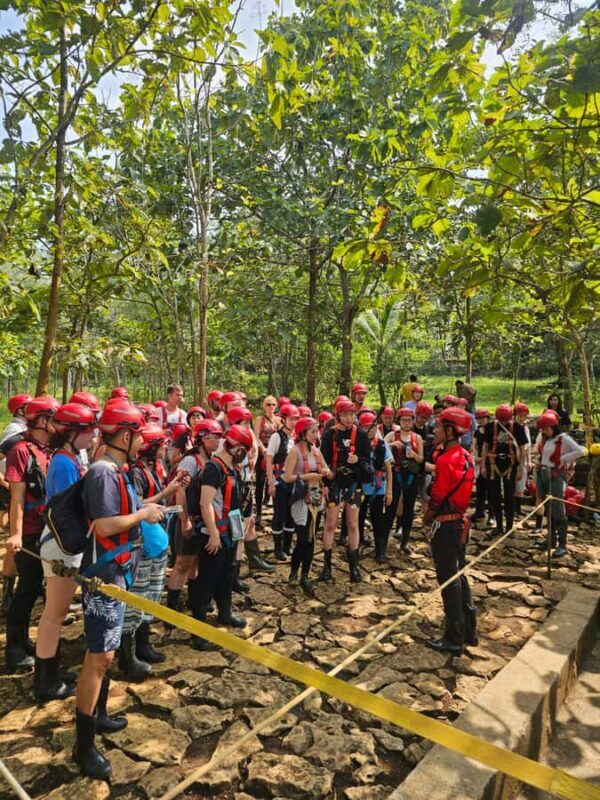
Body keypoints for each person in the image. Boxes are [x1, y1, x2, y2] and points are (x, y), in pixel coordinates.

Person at [73, 403, 165, 780]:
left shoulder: (117, 471)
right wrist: (143, 516)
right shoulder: (102, 474)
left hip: (120, 573)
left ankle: (102, 714)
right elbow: (106, 525)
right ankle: (83, 745)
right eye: (139, 433)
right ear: (125, 436)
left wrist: (148, 507)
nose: (143, 440)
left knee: (107, 655)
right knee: (99, 658)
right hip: (103, 575)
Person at [35, 402, 97, 702]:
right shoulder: (63, 463)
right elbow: (66, 510)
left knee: (55, 613)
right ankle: (45, 680)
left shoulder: (69, 458)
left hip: (65, 544)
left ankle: (53, 670)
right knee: (53, 614)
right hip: (61, 545)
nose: (92, 436)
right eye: (87, 431)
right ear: (72, 433)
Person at [119, 425, 190, 680]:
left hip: (156, 541)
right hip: (143, 545)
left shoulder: (152, 469)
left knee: (150, 594)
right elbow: (137, 506)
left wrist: (170, 488)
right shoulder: (136, 472)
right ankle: (128, 656)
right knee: (137, 597)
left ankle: (144, 645)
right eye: (161, 444)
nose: (165, 449)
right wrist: (166, 492)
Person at [5, 396, 59, 672]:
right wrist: (15, 533)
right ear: (42, 420)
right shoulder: (21, 451)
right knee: (26, 589)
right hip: (29, 531)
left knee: (36, 586)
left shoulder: (48, 450)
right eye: (53, 418)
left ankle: (25, 639)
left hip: (47, 530)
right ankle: (13, 648)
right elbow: (17, 496)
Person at [191, 424, 253, 650]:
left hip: (230, 530)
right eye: (244, 448)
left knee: (227, 575)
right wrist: (214, 534)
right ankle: (198, 632)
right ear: (236, 447)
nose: (245, 454)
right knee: (206, 580)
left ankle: (225, 613)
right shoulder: (213, 469)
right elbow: (204, 502)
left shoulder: (231, 467)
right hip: (213, 533)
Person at [423, 407, 477, 655]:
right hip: (460, 522)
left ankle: (454, 636)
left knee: (449, 579)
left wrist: (427, 517)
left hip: (446, 524)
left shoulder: (446, 460)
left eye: (437, 427)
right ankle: (469, 628)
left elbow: (437, 495)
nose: (434, 431)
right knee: (460, 574)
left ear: (449, 431)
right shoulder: (466, 456)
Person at [166, 419, 222, 619]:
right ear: (201, 440)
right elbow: (180, 491)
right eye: (212, 437)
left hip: (201, 520)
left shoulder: (212, 461)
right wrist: (184, 520)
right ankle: (171, 607)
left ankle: (194, 600)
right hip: (188, 516)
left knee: (196, 563)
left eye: (218, 437)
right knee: (182, 563)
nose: (216, 441)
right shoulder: (190, 461)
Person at [319, 398, 372, 582]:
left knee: (353, 524)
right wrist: (325, 484)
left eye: (351, 414)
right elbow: (323, 459)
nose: (349, 418)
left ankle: (354, 568)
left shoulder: (361, 435)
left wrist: (357, 459)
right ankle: (326, 567)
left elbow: (368, 459)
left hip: (354, 485)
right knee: (331, 524)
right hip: (335, 484)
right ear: (338, 416)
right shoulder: (330, 435)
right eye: (345, 415)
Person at [282, 416, 326, 593]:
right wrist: (306, 477)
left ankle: (305, 575)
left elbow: (327, 469)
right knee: (302, 539)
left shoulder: (316, 450)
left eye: (316, 431)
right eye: (313, 432)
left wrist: (326, 471)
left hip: (315, 495)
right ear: (303, 434)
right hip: (301, 497)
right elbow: (287, 477)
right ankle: (294, 571)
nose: (316, 435)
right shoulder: (294, 452)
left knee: (311, 538)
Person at [534, 411, 585, 557]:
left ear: (553, 426)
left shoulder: (563, 438)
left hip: (556, 476)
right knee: (548, 507)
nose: (544, 432)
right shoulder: (545, 439)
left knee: (558, 508)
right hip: (543, 474)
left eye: (545, 429)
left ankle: (563, 544)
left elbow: (580, 451)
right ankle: (551, 539)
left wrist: (564, 458)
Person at [0, 393, 32, 613]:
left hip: (16, 487)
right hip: (14, 489)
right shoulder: (15, 432)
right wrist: (9, 484)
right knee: (14, 541)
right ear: (21, 410)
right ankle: (8, 594)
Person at [481, 404, 527, 536]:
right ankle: (499, 525)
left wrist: (520, 469)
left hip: (510, 464)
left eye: (506, 420)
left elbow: (523, 449)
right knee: (494, 495)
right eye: (502, 420)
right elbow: (485, 446)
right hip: (493, 464)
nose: (504, 423)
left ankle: (509, 527)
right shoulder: (490, 427)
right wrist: (483, 465)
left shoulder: (517, 428)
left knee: (509, 496)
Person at [385, 408, 424, 554]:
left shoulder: (417, 438)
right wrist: (393, 444)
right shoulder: (392, 435)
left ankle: (405, 542)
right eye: (404, 420)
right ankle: (383, 542)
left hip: (411, 477)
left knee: (409, 509)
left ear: (413, 421)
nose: (407, 423)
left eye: (409, 420)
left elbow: (421, 459)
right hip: (396, 475)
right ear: (399, 421)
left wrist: (413, 454)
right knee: (391, 508)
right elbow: (380, 447)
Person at [357, 411, 393, 563]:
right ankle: (355, 547)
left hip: (378, 488)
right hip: (360, 488)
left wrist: (389, 491)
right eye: (365, 427)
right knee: (357, 520)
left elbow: (388, 467)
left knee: (378, 521)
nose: (369, 430)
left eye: (371, 427)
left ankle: (380, 551)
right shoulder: (357, 445)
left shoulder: (382, 445)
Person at [266, 403, 300, 560]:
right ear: (283, 419)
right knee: (279, 514)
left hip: (293, 480)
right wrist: (271, 483)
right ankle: (278, 548)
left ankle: (287, 545)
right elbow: (269, 460)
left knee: (291, 514)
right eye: (291, 419)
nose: (293, 422)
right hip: (279, 481)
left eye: (296, 419)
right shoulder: (276, 437)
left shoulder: (295, 438)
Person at [253, 396, 281, 530]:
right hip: (262, 451)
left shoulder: (279, 420)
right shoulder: (259, 419)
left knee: (274, 481)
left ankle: (276, 512)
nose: (271, 407)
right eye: (268, 404)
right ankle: (258, 512)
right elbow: (256, 436)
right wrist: (263, 449)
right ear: (264, 406)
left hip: (274, 452)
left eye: (273, 404)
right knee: (260, 482)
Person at [471, 408, 490, 529]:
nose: (481, 420)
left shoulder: (492, 431)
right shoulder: (477, 432)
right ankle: (479, 511)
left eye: (483, 418)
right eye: (479, 418)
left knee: (492, 490)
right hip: (479, 462)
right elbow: (473, 445)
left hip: (490, 463)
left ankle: (492, 514)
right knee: (480, 489)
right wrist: (474, 456)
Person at [513, 403, 531, 517]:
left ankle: (518, 508)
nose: (522, 417)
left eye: (524, 415)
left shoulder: (526, 428)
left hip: (523, 460)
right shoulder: (511, 427)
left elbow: (528, 446)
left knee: (521, 484)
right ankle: (511, 507)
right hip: (512, 459)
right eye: (520, 415)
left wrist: (529, 460)